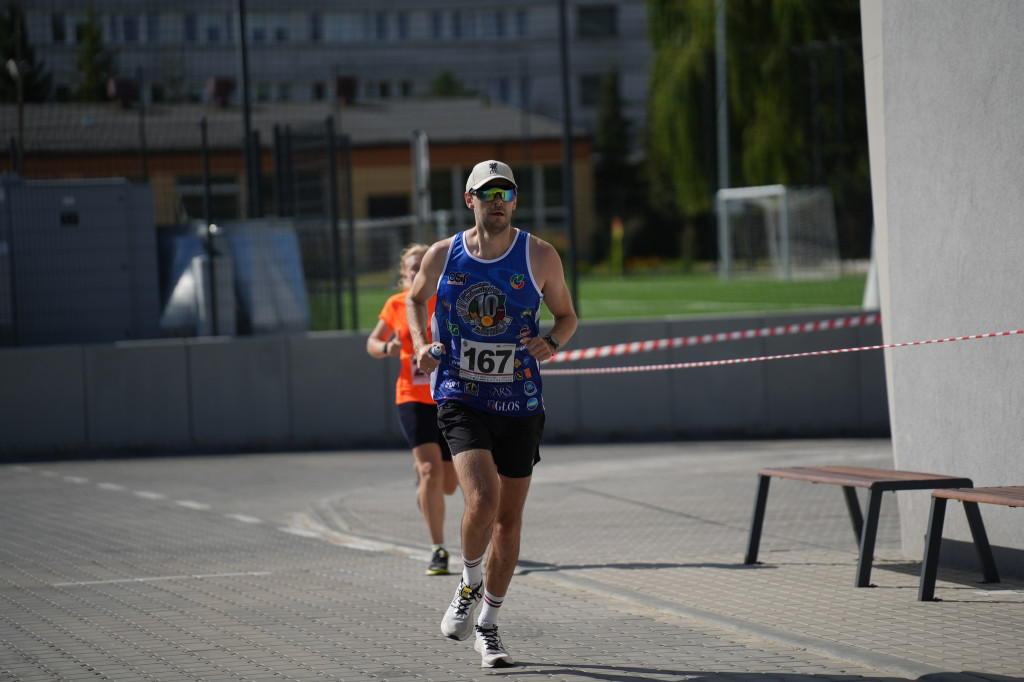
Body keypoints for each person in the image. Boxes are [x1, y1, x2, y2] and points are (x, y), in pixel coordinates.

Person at [406, 160, 578, 668]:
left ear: (515, 201)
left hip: (520, 401)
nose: (497, 200)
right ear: (470, 199)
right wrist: (423, 345)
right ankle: (467, 584)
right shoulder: (444, 255)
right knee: (481, 500)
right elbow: (415, 300)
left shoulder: (540, 255)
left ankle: (489, 625)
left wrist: (551, 342)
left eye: (506, 192)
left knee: (508, 520)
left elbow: (567, 317)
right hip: (461, 393)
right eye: (488, 192)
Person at [366, 244, 458, 576]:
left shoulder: (448, 298)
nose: (419, 273)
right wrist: (386, 347)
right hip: (412, 398)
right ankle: (439, 550)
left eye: (424, 268)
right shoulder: (395, 305)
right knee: (431, 472)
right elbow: (372, 343)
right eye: (412, 269)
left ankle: (425, 488)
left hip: (450, 397)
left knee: (448, 484)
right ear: (403, 276)